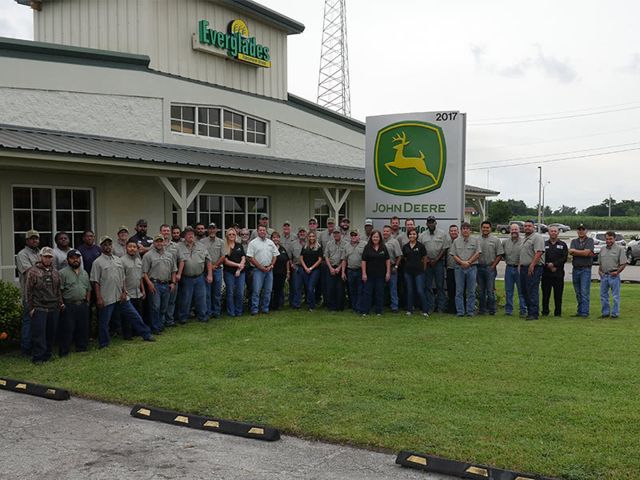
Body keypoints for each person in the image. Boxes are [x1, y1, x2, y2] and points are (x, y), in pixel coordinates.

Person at [91, 236, 155, 348]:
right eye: (105, 245)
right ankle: (104, 343)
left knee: (134, 316)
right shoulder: (97, 262)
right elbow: (96, 281)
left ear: (112, 246)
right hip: (107, 297)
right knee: (104, 322)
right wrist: (99, 298)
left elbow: (123, 278)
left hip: (121, 296)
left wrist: (124, 291)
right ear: (101, 246)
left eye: (109, 244)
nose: (107, 247)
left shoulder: (118, 260)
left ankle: (146, 334)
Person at [25, 247, 63, 363]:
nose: (47, 259)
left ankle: (48, 355)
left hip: (53, 307)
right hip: (39, 307)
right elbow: (29, 290)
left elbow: (58, 290)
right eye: (45, 256)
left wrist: (60, 303)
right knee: (39, 334)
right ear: (40, 257)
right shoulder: (33, 271)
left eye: (49, 257)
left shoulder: (56, 272)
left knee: (51, 333)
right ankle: (38, 357)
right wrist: (31, 308)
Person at [58, 249, 91, 356]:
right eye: (72, 258)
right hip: (69, 304)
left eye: (77, 258)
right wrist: (61, 303)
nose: (75, 260)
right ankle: (64, 351)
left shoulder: (84, 273)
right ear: (68, 260)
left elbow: (88, 288)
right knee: (67, 328)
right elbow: (59, 290)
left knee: (83, 327)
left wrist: (87, 301)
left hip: (82, 304)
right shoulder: (62, 273)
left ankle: (81, 348)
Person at [176, 226, 212, 323]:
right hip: (186, 277)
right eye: (188, 234)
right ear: (184, 236)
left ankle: (203, 316)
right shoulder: (178, 246)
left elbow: (208, 261)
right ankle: (183, 318)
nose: (190, 236)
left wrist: (209, 274)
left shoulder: (201, 246)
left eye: (192, 234)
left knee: (201, 298)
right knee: (185, 299)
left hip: (200, 276)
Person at [143, 235, 177, 334]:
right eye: (157, 241)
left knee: (163, 307)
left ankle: (160, 325)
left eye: (160, 241)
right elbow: (144, 272)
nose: (159, 243)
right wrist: (149, 283)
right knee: (155, 307)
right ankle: (154, 327)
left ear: (163, 243)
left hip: (166, 284)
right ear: (153, 243)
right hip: (155, 284)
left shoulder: (169, 255)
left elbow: (174, 270)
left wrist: (173, 282)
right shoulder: (148, 255)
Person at [15, 229, 40, 355]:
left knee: (39, 321)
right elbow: (30, 271)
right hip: (29, 294)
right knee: (28, 321)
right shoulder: (22, 254)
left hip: (41, 294)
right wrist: (42, 267)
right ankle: (26, 349)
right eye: (32, 238)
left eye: (36, 238)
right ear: (27, 240)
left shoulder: (39, 253)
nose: (35, 240)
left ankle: (36, 346)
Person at [450, 222, 481, 317]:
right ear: (461, 230)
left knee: (471, 291)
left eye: (467, 228)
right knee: (459, 291)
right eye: (463, 228)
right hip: (459, 268)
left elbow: (478, 253)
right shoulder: (456, 241)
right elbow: (453, 254)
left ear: (470, 230)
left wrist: (469, 262)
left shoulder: (475, 241)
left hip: (472, 268)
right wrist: (462, 262)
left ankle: (470, 312)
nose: (465, 230)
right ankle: (460, 312)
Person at [419, 216, 449, 314]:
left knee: (440, 286)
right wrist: (427, 259)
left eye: (432, 222)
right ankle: (430, 307)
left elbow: (445, 248)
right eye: (429, 222)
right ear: (426, 224)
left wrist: (436, 259)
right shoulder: (422, 235)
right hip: (427, 263)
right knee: (428, 286)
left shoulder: (442, 234)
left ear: (435, 223)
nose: (431, 224)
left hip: (439, 263)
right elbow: (421, 250)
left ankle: (441, 308)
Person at [247, 225, 279, 315]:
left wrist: (271, 266)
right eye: (260, 230)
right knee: (256, 290)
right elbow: (250, 258)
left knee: (268, 290)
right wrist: (261, 267)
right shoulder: (253, 243)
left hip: (269, 270)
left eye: (264, 230)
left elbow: (275, 255)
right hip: (258, 270)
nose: (262, 232)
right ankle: (254, 310)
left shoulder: (270, 242)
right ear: (257, 231)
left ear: (266, 231)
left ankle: (265, 309)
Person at [519, 220, 545, 320]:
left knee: (532, 290)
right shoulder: (525, 238)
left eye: (529, 226)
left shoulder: (537, 237)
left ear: (533, 227)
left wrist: (532, 265)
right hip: (524, 268)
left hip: (534, 267)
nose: (527, 228)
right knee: (525, 290)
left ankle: (534, 313)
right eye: (525, 226)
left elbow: (539, 252)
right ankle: (530, 311)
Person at [476, 221, 504, 315]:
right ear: (481, 228)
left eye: (487, 227)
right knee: (480, 290)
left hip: (490, 268)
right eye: (484, 227)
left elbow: (499, 254)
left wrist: (493, 266)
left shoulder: (495, 240)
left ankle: (492, 310)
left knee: (490, 290)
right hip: (479, 267)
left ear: (490, 229)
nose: (485, 229)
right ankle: (482, 310)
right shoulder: (476, 240)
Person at [360, 230, 391, 316]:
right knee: (367, 293)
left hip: (380, 275)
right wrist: (364, 273)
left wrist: (388, 273)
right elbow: (363, 261)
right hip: (369, 275)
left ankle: (379, 311)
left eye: (377, 237)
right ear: (371, 238)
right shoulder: (367, 247)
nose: (375, 238)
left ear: (380, 238)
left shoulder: (383, 247)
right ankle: (365, 311)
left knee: (379, 293)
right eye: (374, 237)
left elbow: (387, 260)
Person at [598, 231, 627, 318]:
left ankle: (615, 314)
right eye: (607, 239)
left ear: (614, 239)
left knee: (615, 296)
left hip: (614, 276)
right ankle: (605, 313)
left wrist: (617, 272)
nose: (608, 240)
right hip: (604, 276)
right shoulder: (602, 249)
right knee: (603, 296)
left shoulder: (619, 249)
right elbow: (600, 262)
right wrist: (600, 271)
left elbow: (623, 263)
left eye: (610, 239)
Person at [120, 239, 145, 338]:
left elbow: (141, 277)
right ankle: (127, 334)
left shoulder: (138, 260)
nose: (132, 249)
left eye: (134, 247)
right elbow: (121, 278)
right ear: (126, 247)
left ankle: (137, 332)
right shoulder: (122, 260)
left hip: (137, 292)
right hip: (128, 293)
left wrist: (143, 290)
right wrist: (124, 291)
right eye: (130, 247)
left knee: (138, 314)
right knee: (127, 316)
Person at [541, 226, 568, 317]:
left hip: (558, 274)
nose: (553, 233)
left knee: (558, 295)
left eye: (555, 231)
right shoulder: (544, 244)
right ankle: (545, 312)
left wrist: (555, 265)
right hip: (546, 274)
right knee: (545, 294)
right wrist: (548, 265)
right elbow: (541, 257)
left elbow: (564, 258)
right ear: (548, 233)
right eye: (551, 231)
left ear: (558, 233)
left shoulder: (563, 244)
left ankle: (558, 313)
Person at [569, 224, 594, 318]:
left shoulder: (590, 240)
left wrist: (576, 251)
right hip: (575, 269)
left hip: (585, 269)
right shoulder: (574, 241)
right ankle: (579, 311)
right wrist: (582, 252)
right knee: (578, 292)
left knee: (584, 291)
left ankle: (585, 312)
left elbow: (587, 253)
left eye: (583, 229)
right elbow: (570, 251)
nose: (581, 231)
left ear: (586, 231)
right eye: (579, 229)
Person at [402, 230, 428, 316]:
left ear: (417, 235)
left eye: (414, 234)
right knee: (409, 291)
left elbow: (424, 258)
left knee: (420, 291)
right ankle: (409, 310)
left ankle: (425, 310)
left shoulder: (421, 246)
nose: (412, 236)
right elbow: (405, 258)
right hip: (408, 272)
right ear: (408, 236)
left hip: (419, 272)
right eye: (410, 234)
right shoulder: (405, 246)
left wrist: (423, 269)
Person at [502, 223, 527, 317]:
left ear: (519, 230)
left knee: (521, 291)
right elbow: (502, 255)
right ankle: (508, 310)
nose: (514, 231)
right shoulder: (505, 242)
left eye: (516, 229)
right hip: (509, 268)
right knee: (509, 291)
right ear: (510, 230)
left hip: (520, 269)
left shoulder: (524, 241)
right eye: (512, 229)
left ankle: (523, 310)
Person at [201, 223, 225, 319]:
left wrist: (215, 265)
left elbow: (223, 256)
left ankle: (217, 312)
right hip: (206, 270)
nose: (212, 230)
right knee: (207, 293)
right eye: (210, 228)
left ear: (216, 230)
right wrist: (210, 267)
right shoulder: (202, 242)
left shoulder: (221, 242)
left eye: (213, 228)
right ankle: (208, 312)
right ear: (207, 230)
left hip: (217, 269)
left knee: (217, 293)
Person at [223, 228, 246, 317]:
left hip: (240, 272)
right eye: (230, 234)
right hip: (229, 272)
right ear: (227, 236)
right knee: (230, 292)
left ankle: (239, 311)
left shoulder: (239, 245)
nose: (232, 236)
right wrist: (237, 265)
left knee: (240, 292)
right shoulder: (224, 246)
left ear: (236, 236)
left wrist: (239, 269)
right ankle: (231, 312)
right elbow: (225, 261)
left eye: (233, 234)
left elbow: (243, 258)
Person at [300, 231, 323, 311]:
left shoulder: (319, 247)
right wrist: (306, 268)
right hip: (305, 270)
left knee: (310, 287)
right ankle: (309, 303)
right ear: (308, 237)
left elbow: (320, 260)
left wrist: (311, 268)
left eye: (313, 236)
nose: (311, 238)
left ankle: (312, 306)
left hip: (315, 270)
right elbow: (301, 258)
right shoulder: (305, 247)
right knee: (307, 288)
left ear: (315, 237)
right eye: (310, 236)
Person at [343, 228, 365, 313]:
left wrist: (364, 272)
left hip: (360, 270)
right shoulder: (346, 246)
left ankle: (359, 307)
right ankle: (354, 307)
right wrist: (342, 272)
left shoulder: (364, 244)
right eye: (352, 235)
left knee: (360, 290)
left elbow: (366, 259)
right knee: (352, 290)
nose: (353, 237)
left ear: (359, 236)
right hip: (350, 271)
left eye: (355, 235)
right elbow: (344, 260)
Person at [325, 229, 346, 311]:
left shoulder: (345, 244)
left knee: (340, 289)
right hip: (330, 268)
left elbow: (345, 258)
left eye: (338, 233)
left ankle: (340, 307)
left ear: (341, 234)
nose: (336, 235)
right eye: (335, 233)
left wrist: (339, 268)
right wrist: (330, 268)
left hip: (340, 268)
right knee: (330, 288)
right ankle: (331, 307)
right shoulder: (329, 244)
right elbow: (326, 256)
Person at [382, 225, 402, 313]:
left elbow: (399, 256)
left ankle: (394, 306)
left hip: (392, 267)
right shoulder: (380, 241)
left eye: (387, 231)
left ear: (391, 232)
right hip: (381, 268)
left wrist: (396, 266)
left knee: (393, 288)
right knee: (381, 288)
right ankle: (382, 305)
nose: (385, 233)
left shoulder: (394, 242)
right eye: (384, 231)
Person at [270, 232, 290, 310]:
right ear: (271, 239)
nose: (276, 239)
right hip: (271, 272)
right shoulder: (269, 248)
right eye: (274, 237)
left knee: (279, 289)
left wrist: (288, 272)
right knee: (271, 290)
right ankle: (270, 305)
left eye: (277, 237)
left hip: (282, 273)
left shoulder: (282, 249)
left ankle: (278, 305)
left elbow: (287, 260)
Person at [289, 227, 307, 309]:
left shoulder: (310, 243)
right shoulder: (293, 244)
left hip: (308, 267)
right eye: (300, 232)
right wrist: (292, 264)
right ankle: (296, 304)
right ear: (298, 234)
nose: (302, 234)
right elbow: (289, 257)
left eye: (303, 232)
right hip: (297, 267)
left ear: (306, 234)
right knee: (296, 287)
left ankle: (309, 303)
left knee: (308, 287)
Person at [445, 225, 459, 314]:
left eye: (455, 231)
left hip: (460, 269)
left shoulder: (461, 242)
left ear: (458, 232)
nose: (453, 232)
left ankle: (460, 308)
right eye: (451, 231)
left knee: (459, 290)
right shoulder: (447, 243)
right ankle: (451, 309)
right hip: (450, 269)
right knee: (451, 289)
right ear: (449, 232)